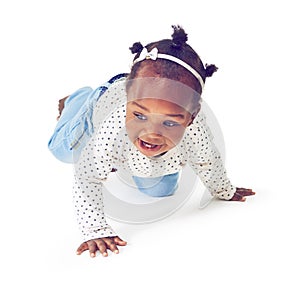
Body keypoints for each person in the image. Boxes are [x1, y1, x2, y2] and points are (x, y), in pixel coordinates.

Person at [48, 25, 255, 258]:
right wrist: (96, 230)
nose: (151, 133)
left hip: (135, 150)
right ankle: (78, 99)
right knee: (63, 151)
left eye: (169, 123)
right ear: (128, 99)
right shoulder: (111, 125)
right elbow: (87, 176)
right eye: (140, 116)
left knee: (161, 189)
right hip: (98, 111)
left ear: (191, 116)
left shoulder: (196, 130)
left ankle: (126, 157)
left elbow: (208, 161)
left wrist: (224, 190)